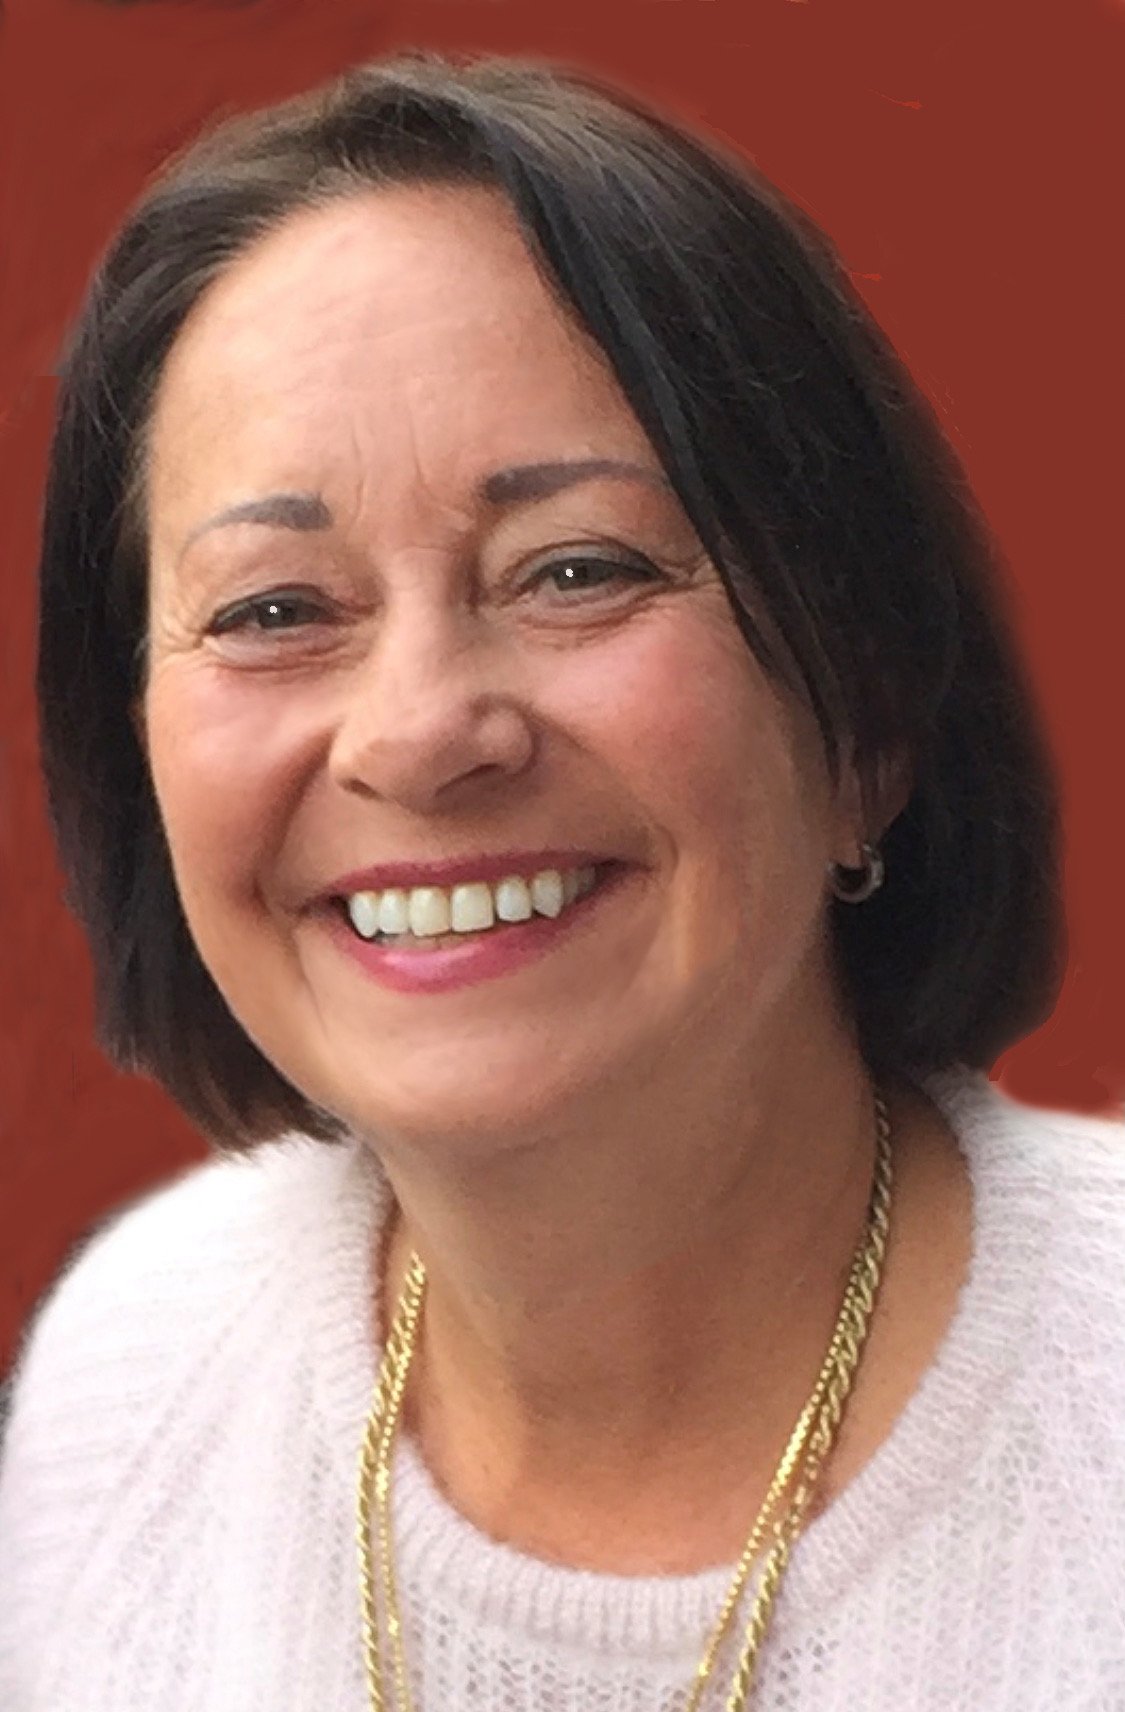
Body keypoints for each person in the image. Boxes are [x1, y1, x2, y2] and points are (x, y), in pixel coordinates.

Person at [1, 50, 1122, 1712]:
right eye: (273, 609)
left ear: (866, 713)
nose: (418, 734)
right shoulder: (129, 1378)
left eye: (575, 570)